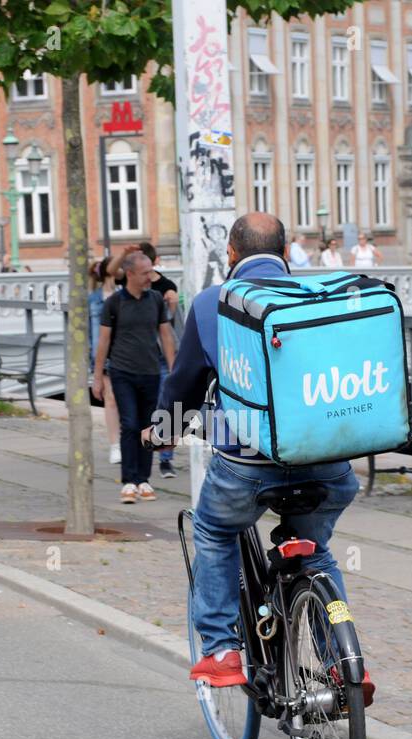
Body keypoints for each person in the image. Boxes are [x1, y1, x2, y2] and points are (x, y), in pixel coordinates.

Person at [144, 212, 374, 704]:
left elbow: (182, 384)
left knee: (213, 530)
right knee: (316, 548)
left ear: (230, 254)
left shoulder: (212, 304)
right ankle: (344, 666)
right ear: (287, 254)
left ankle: (224, 649)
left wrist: (161, 432)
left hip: (246, 468)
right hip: (326, 464)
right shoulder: (319, 298)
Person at [91, 251, 176, 503]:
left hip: (151, 371)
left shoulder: (156, 301)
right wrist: (97, 377)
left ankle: (144, 480)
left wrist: (173, 372)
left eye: (151, 271)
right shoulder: (114, 303)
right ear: (129, 274)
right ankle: (129, 481)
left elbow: (166, 336)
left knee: (149, 426)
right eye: (144, 273)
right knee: (129, 424)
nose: (150, 277)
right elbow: (103, 341)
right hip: (122, 371)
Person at [111, 242, 180, 478]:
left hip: (156, 358)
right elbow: (110, 272)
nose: (148, 276)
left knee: (160, 414)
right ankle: (135, 476)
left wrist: (173, 368)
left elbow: (167, 331)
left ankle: (164, 460)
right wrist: (123, 254)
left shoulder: (164, 287)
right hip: (132, 363)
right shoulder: (124, 289)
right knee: (134, 421)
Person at [88, 256, 122, 465]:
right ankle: (115, 445)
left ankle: (126, 442)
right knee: (111, 399)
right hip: (106, 357)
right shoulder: (93, 300)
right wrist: (96, 367)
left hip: (125, 355)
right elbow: (93, 335)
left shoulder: (124, 295)